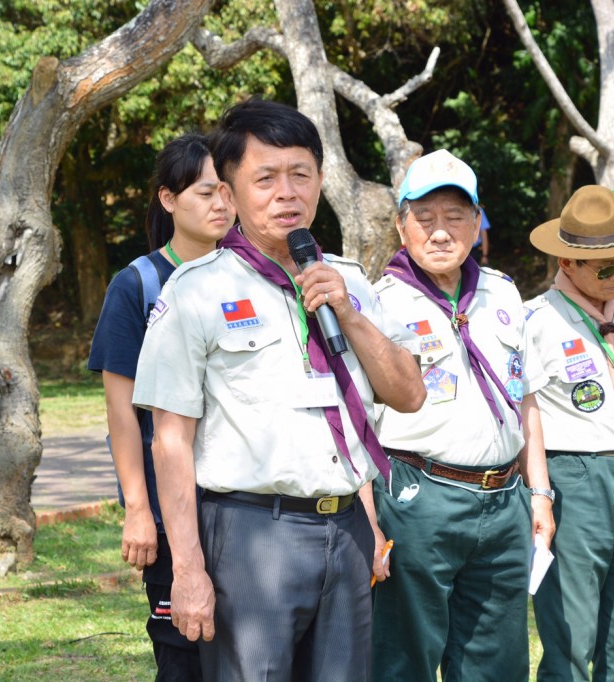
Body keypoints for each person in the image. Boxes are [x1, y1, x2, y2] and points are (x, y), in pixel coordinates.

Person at [132, 98, 426, 682]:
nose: (287, 193)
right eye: (265, 178)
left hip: (344, 527)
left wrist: (350, 312)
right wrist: (188, 567)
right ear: (230, 193)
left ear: (320, 180)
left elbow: (409, 394)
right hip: (249, 534)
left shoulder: (350, 283)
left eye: (301, 174)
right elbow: (170, 441)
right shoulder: (196, 291)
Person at [369, 149, 554, 682]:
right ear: (402, 227)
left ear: (477, 223)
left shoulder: (503, 292)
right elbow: (357, 424)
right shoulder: (379, 305)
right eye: (424, 219)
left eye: (454, 218)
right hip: (417, 497)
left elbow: (527, 400)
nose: (440, 232)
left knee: (496, 661)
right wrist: (370, 518)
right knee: (405, 656)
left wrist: (538, 493)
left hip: (504, 501)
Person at [87, 133, 235, 682]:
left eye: (226, 190)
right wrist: (137, 508)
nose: (221, 204)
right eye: (204, 192)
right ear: (168, 200)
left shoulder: (257, 277)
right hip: (175, 511)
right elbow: (123, 414)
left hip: (245, 511)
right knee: (185, 655)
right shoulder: (139, 285)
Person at [523, 185, 614, 681]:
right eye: (605, 268)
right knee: (571, 632)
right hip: (574, 476)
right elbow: (526, 413)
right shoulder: (535, 320)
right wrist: (541, 494)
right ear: (567, 262)